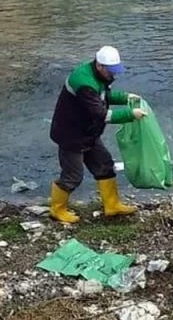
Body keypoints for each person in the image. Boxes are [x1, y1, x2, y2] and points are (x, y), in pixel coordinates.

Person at [48, 46, 146, 224]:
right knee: (73, 176)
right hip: (71, 135)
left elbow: (103, 96)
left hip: (88, 132)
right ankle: (57, 209)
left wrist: (125, 97)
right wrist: (131, 115)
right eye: (112, 71)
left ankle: (112, 205)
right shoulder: (84, 83)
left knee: (105, 166)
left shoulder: (97, 75)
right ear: (100, 66)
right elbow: (102, 114)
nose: (114, 75)